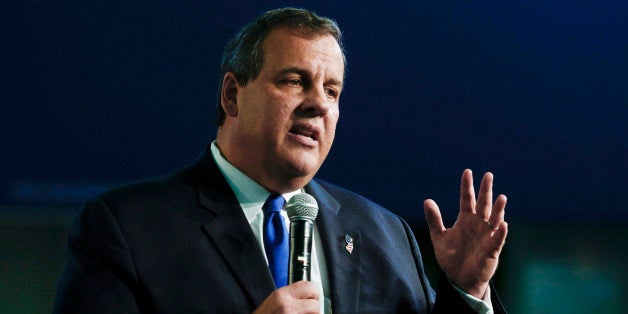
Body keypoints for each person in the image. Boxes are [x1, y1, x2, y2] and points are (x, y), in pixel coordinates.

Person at [54, 7, 508, 314]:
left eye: (332, 91)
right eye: (295, 81)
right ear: (233, 94)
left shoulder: (385, 235)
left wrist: (466, 295)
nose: (319, 104)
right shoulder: (126, 227)